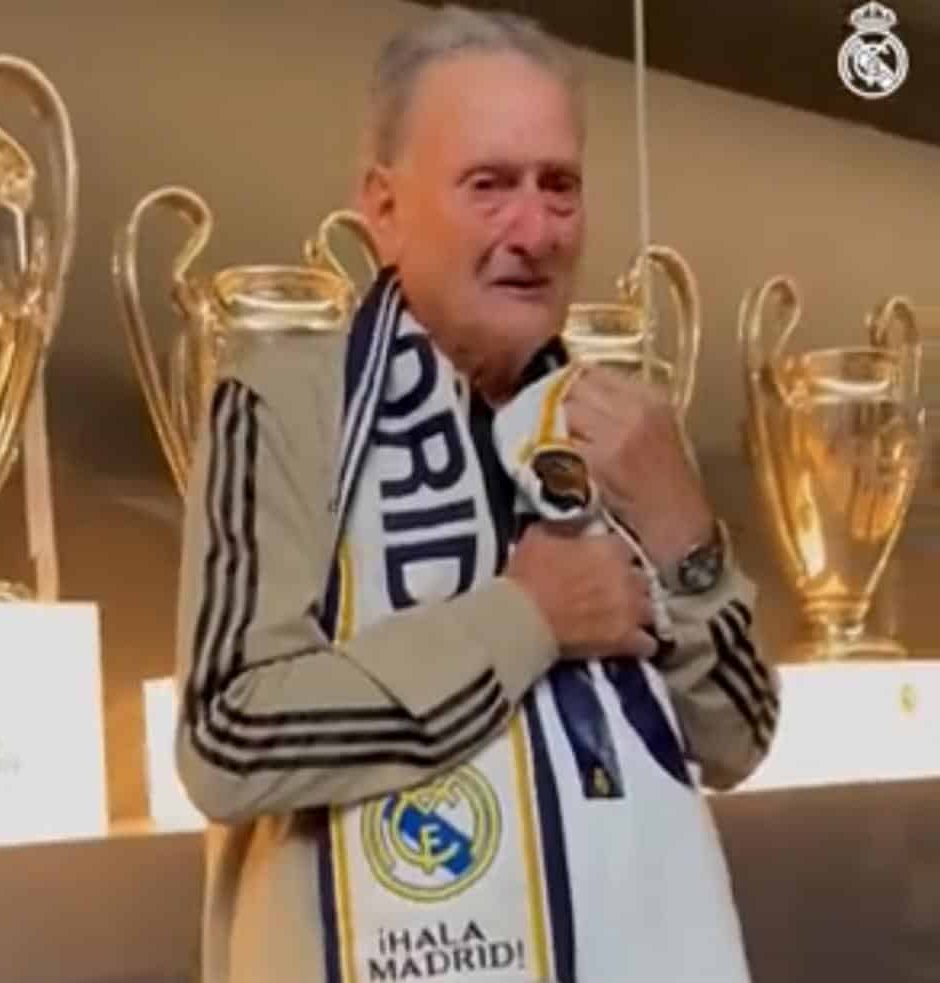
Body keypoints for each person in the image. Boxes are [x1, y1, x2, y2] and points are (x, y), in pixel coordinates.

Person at [175, 7, 780, 982]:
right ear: (382, 205)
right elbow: (228, 737)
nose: (534, 230)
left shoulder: (617, 425)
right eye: (488, 185)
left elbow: (736, 737)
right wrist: (525, 616)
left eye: (559, 186)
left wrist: (682, 528)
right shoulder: (285, 404)